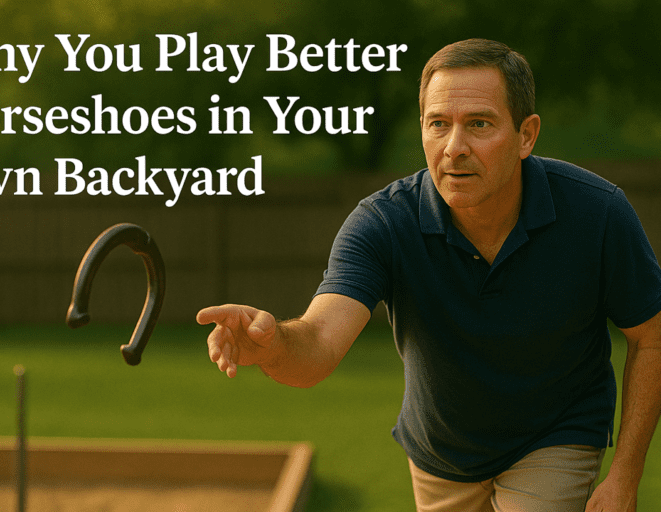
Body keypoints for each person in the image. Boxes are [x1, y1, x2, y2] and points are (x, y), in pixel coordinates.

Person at [197, 39, 661, 512]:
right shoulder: (383, 223)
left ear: (526, 135)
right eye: (438, 124)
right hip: (440, 454)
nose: (454, 148)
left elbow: (651, 337)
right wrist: (274, 346)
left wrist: (625, 475)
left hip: (555, 435)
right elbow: (319, 342)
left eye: (479, 124)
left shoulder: (597, 213)